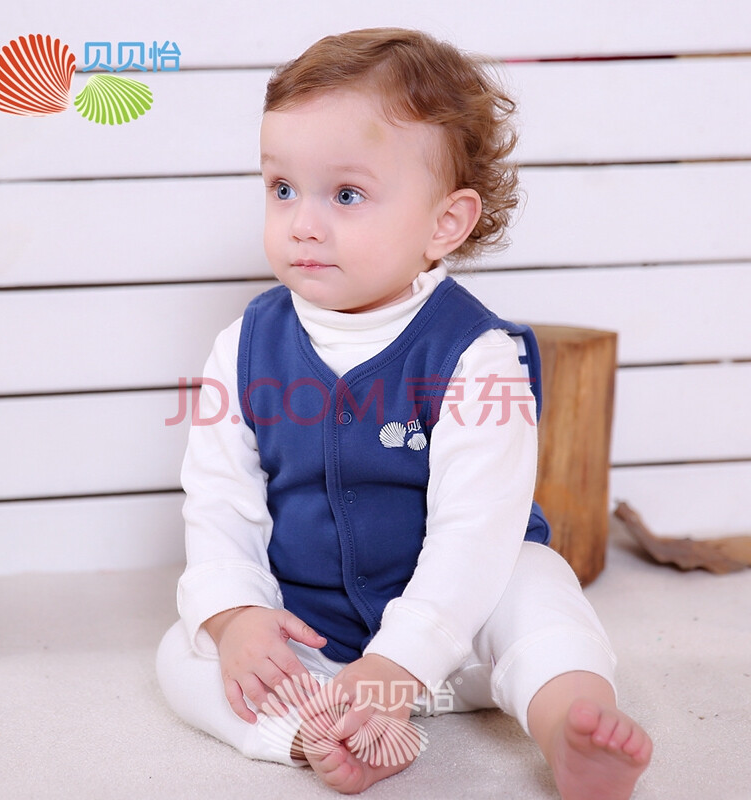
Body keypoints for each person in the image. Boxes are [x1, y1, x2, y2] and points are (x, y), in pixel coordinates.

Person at [156, 27, 652, 798]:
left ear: (444, 224)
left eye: (345, 195)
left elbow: (474, 532)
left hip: (461, 638)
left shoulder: (475, 355)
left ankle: (567, 721)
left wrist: (403, 661)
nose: (303, 222)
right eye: (282, 188)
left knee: (535, 582)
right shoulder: (244, 346)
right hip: (318, 639)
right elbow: (220, 502)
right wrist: (237, 616)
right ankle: (318, 736)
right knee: (182, 650)